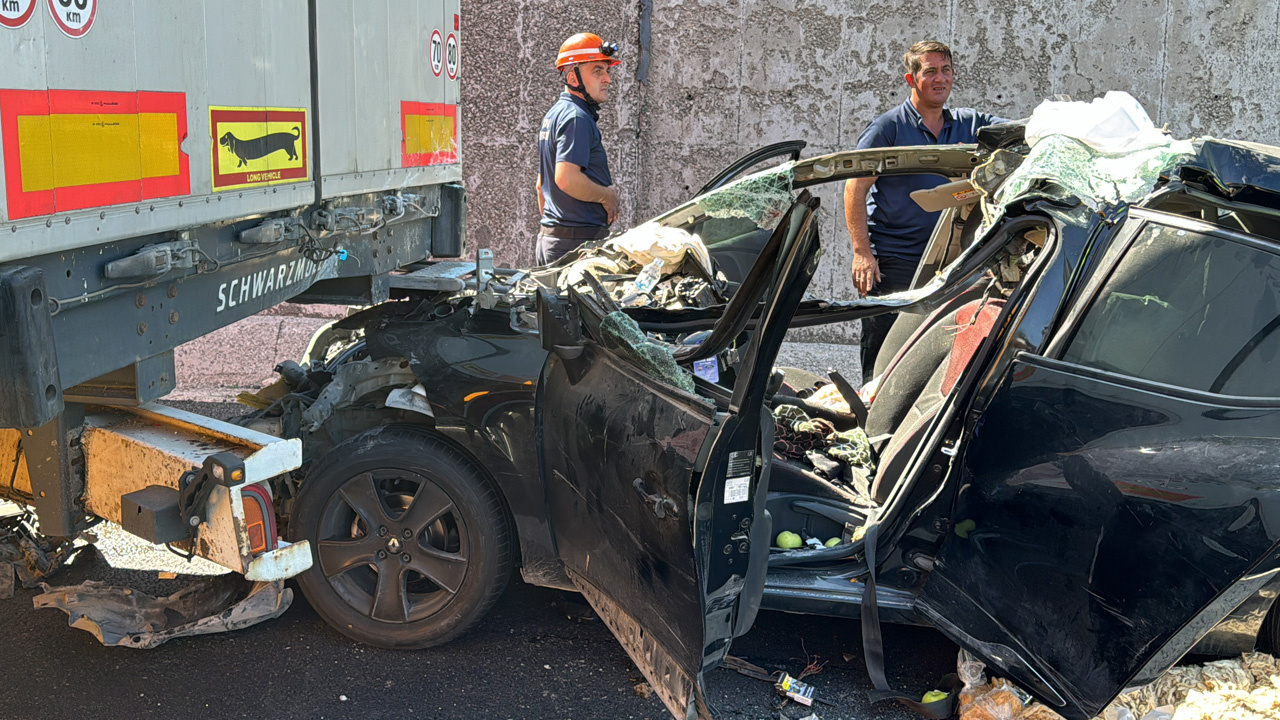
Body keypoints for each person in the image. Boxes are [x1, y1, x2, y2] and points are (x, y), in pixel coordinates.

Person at [844, 40, 1004, 381]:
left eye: (946, 70)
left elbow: (1018, 133)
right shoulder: (888, 128)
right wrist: (861, 253)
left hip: (954, 262)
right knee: (884, 356)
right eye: (930, 71)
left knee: (937, 356)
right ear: (911, 79)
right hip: (896, 262)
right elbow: (854, 189)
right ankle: (869, 423)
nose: (940, 78)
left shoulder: (971, 124)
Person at [534, 33, 622, 265]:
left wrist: (555, 231)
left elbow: (541, 185)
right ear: (573, 78)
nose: (607, 79)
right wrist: (607, 196)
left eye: (607, 70)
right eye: (597, 71)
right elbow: (566, 179)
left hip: (557, 241)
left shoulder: (556, 114)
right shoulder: (576, 118)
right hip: (574, 246)